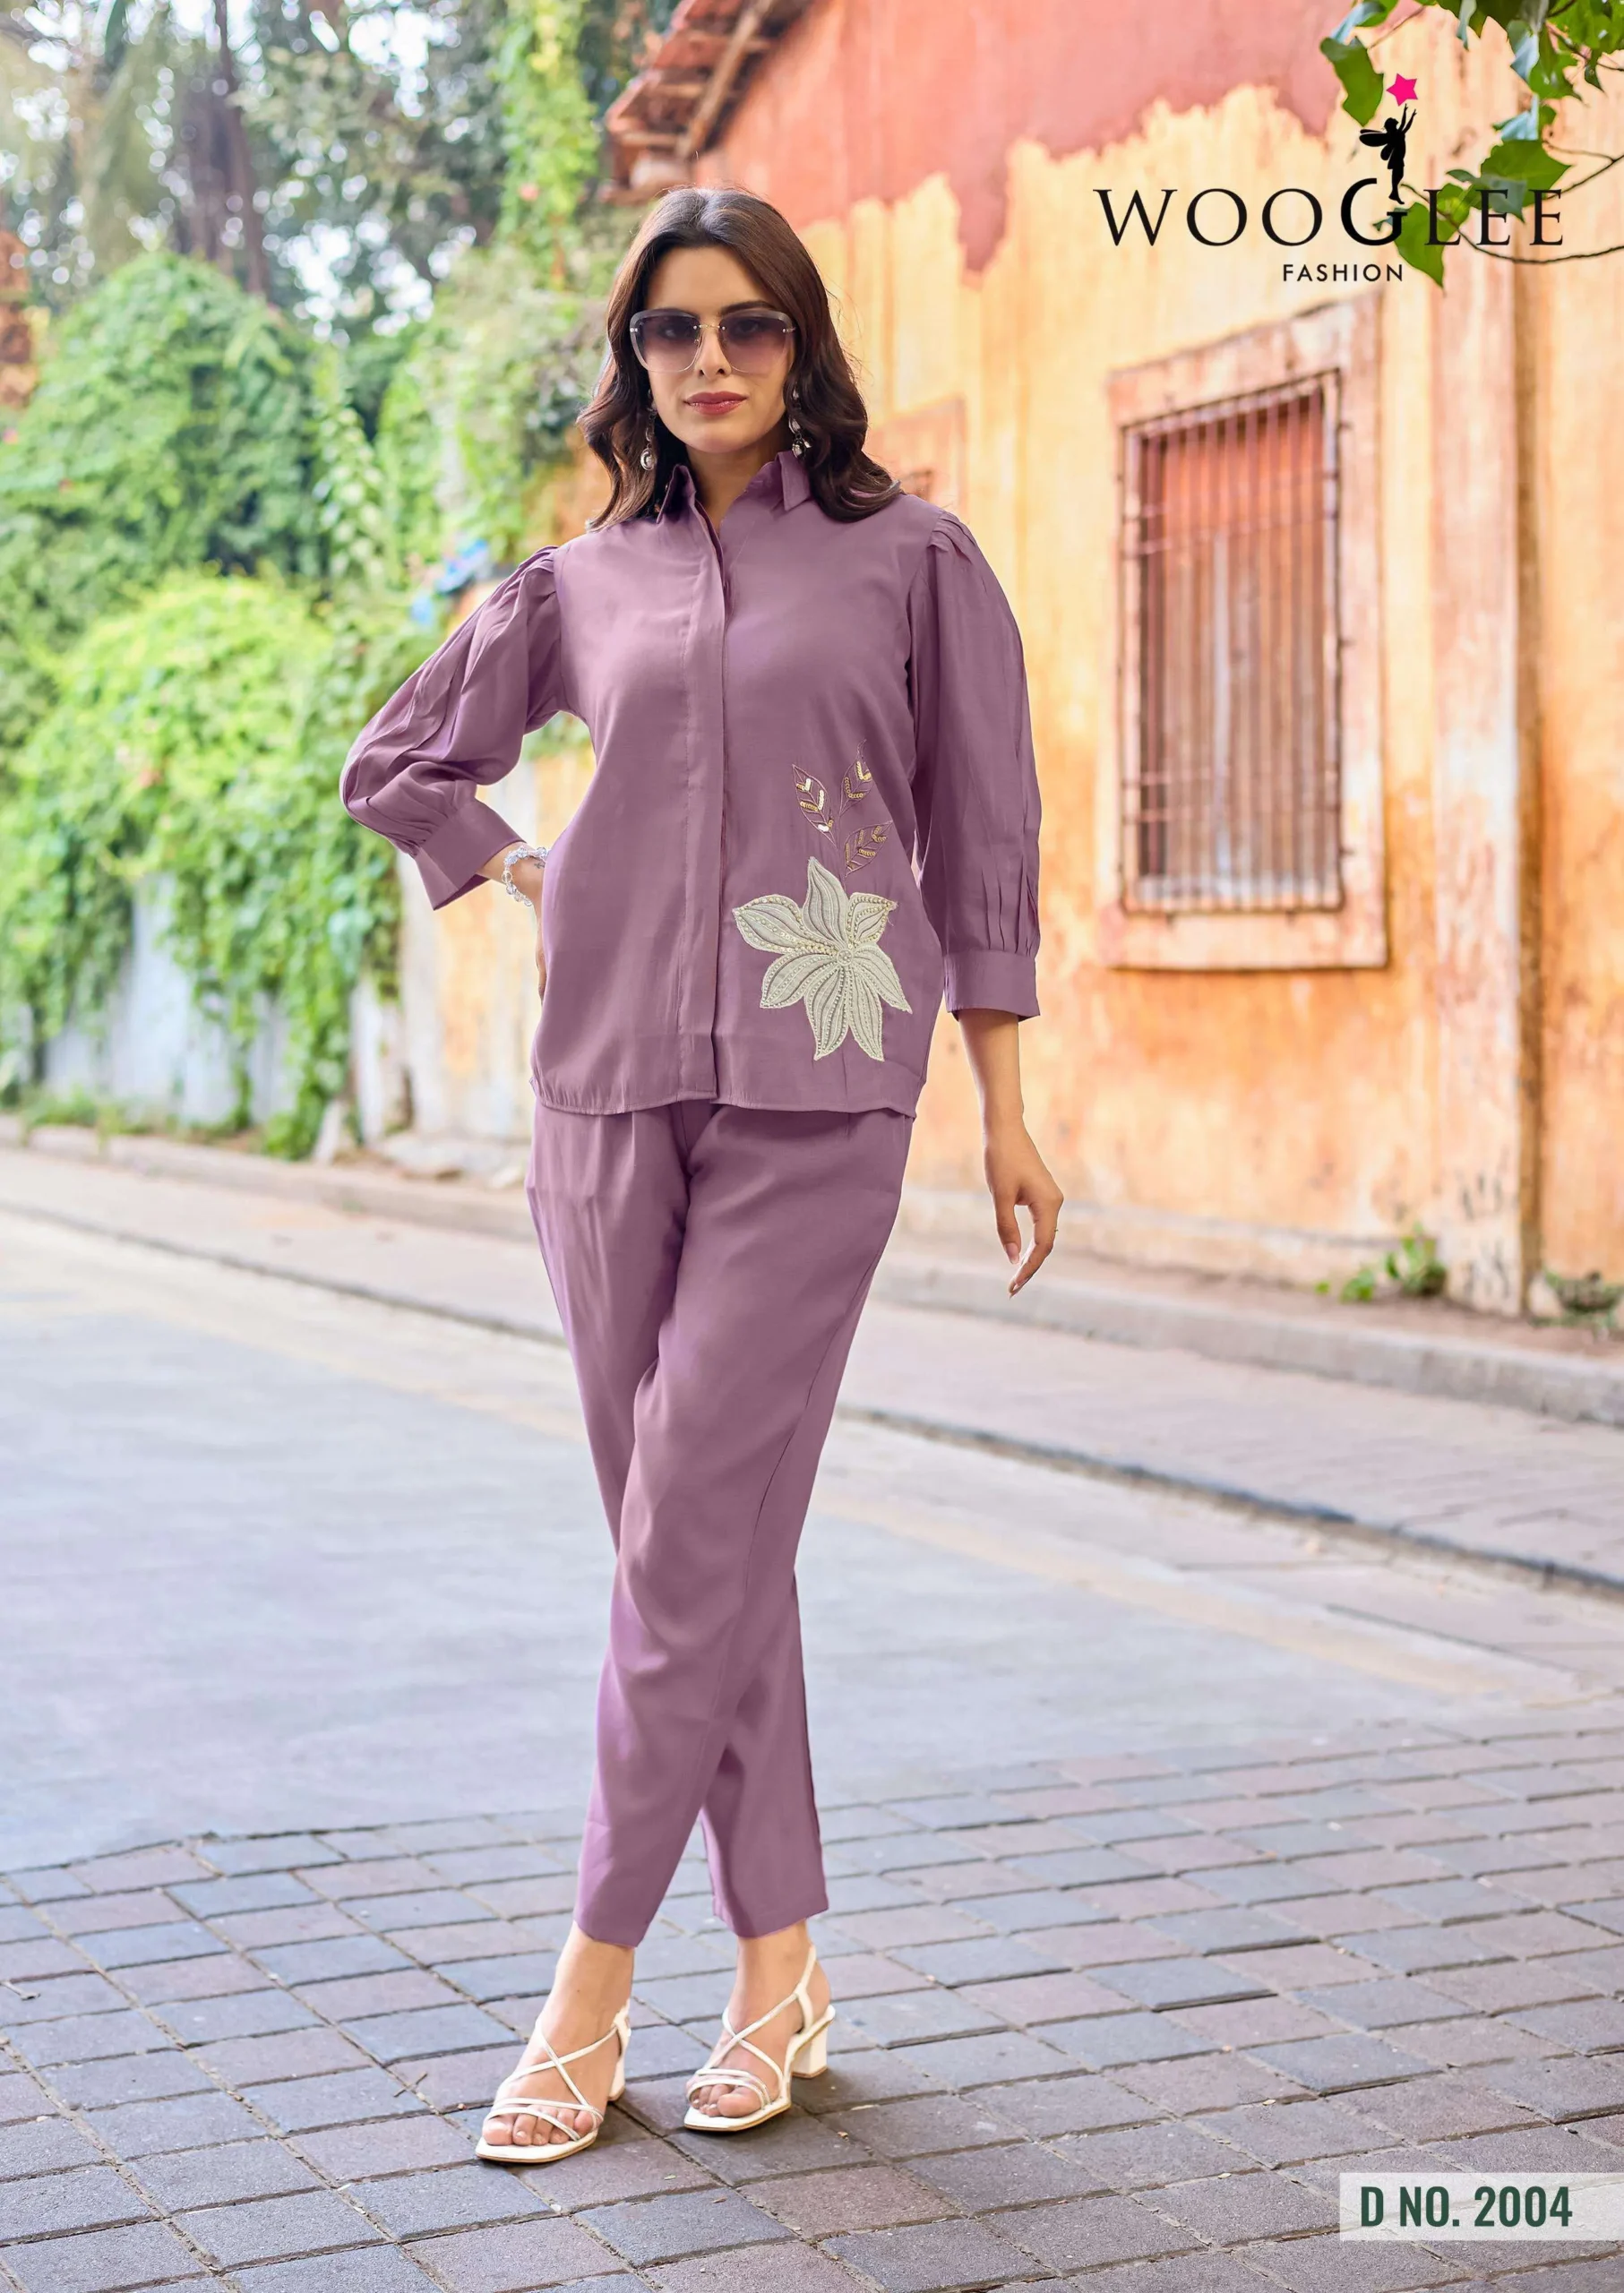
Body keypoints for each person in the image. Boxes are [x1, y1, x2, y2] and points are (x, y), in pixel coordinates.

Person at [340, 184, 1061, 2163]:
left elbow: (984, 828)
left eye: (748, 323)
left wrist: (1003, 1100)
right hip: (601, 1099)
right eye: (674, 329)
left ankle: (585, 1985)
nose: (712, 357)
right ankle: (782, 1967)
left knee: (683, 1537)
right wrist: (523, 870)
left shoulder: (915, 563)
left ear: (799, 342)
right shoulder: (580, 585)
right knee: (701, 1542)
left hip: (823, 1094)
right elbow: (401, 762)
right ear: (636, 360)